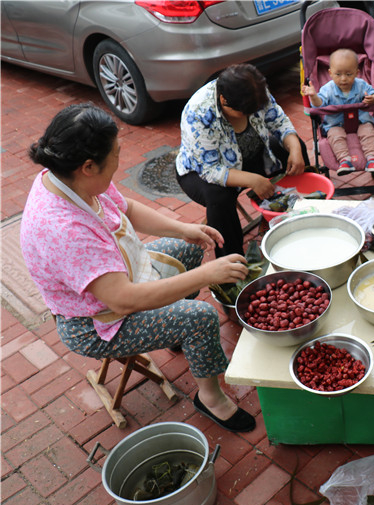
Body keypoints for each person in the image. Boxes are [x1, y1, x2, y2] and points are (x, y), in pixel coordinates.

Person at [21, 103, 256, 433]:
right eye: (116, 155)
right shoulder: (64, 230)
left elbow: (126, 207)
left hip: (121, 274)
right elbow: (124, 300)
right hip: (97, 322)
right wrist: (207, 274)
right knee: (200, 317)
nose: (119, 159)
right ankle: (210, 397)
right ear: (89, 166)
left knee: (190, 246)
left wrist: (184, 229)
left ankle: (180, 337)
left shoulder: (68, 175)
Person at [176, 63, 308, 258]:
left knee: (295, 149)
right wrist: (253, 180)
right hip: (201, 171)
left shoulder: (255, 89)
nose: (250, 115)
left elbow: (278, 122)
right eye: (244, 113)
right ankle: (232, 261)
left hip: (251, 154)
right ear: (223, 100)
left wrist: (295, 149)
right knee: (219, 198)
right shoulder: (199, 113)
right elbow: (210, 170)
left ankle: (304, 214)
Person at [301, 48, 374, 175]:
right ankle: (344, 160)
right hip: (336, 124)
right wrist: (313, 96)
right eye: (338, 74)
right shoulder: (327, 89)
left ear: (356, 73)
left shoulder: (361, 85)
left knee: (368, 131)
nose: (343, 79)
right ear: (330, 73)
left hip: (361, 121)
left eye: (348, 74)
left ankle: (372, 159)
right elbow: (319, 104)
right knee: (335, 135)